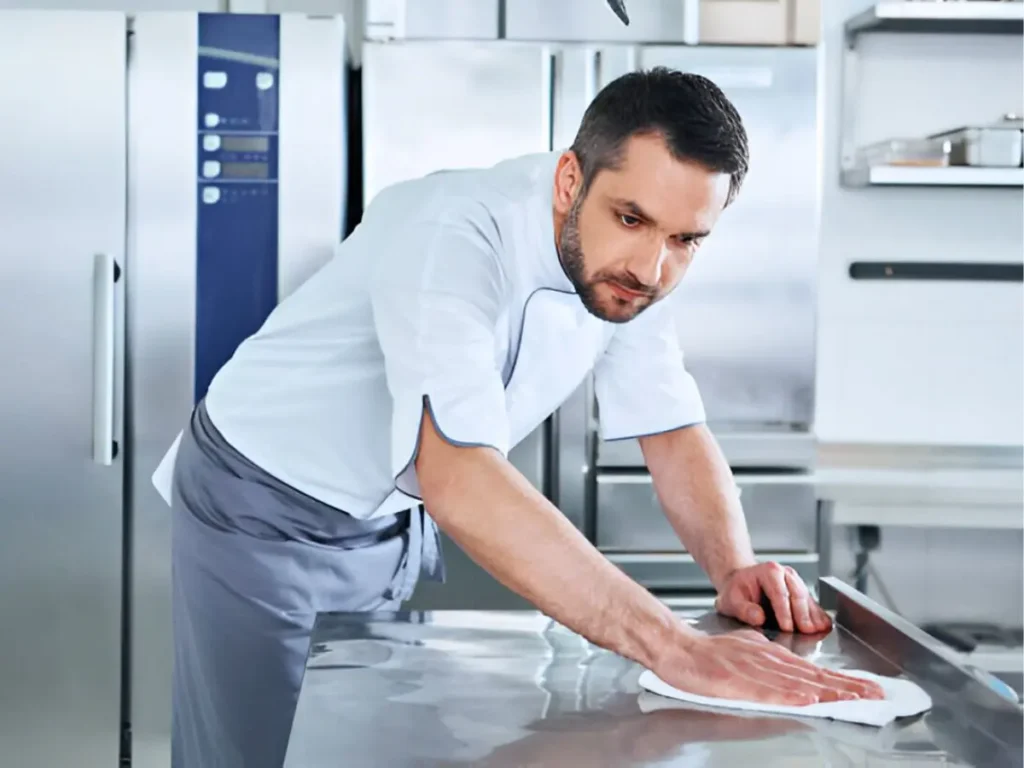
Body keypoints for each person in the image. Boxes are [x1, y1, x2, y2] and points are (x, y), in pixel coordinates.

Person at [156, 67, 883, 768]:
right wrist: (675, 646)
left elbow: (671, 426)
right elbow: (459, 478)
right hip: (261, 505)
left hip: (385, 520)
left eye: (686, 240)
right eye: (631, 219)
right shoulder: (454, 234)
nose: (653, 267)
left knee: (349, 740)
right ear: (571, 180)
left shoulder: (631, 268)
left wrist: (734, 568)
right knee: (261, 755)